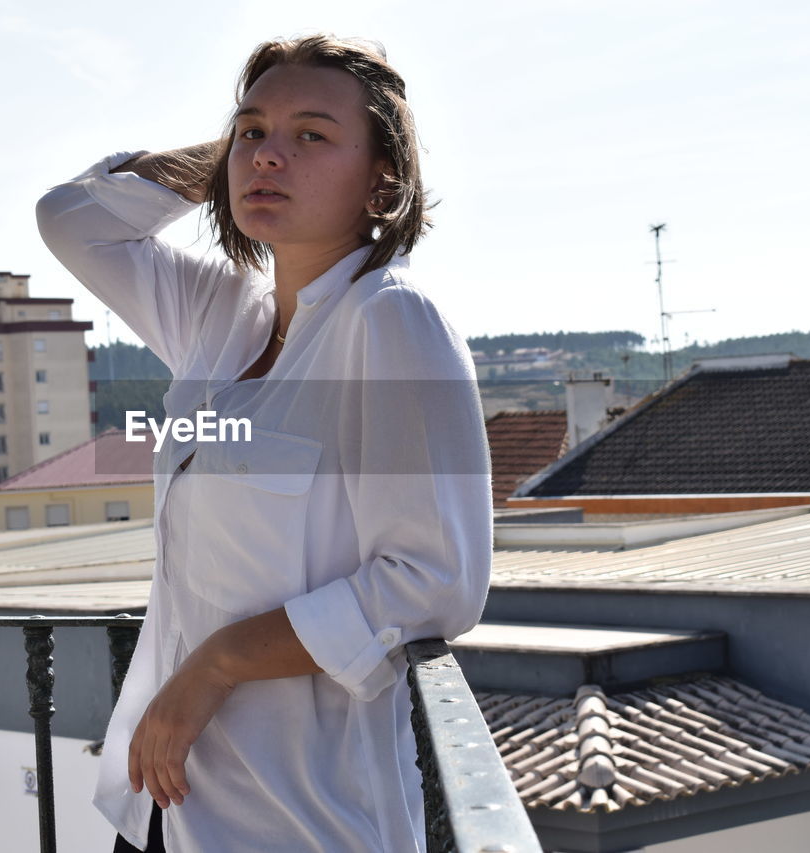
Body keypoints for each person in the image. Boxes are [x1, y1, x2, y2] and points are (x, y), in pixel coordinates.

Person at [36, 35, 493, 853]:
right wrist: (250, 146)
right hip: (162, 813)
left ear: (382, 175)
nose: (268, 158)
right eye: (251, 132)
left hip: (299, 824)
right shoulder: (221, 316)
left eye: (313, 136)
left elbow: (436, 579)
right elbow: (72, 220)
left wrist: (217, 664)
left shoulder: (390, 321)